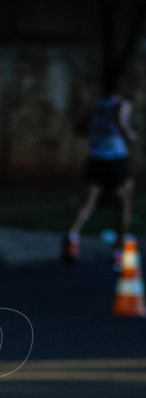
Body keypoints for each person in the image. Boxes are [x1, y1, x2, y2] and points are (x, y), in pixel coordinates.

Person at [64, 89, 137, 269]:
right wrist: (131, 135)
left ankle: (73, 235)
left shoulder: (96, 106)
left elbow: (79, 129)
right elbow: (123, 126)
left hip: (95, 158)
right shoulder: (121, 105)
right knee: (123, 205)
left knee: (88, 202)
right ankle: (118, 252)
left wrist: (97, 130)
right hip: (116, 159)